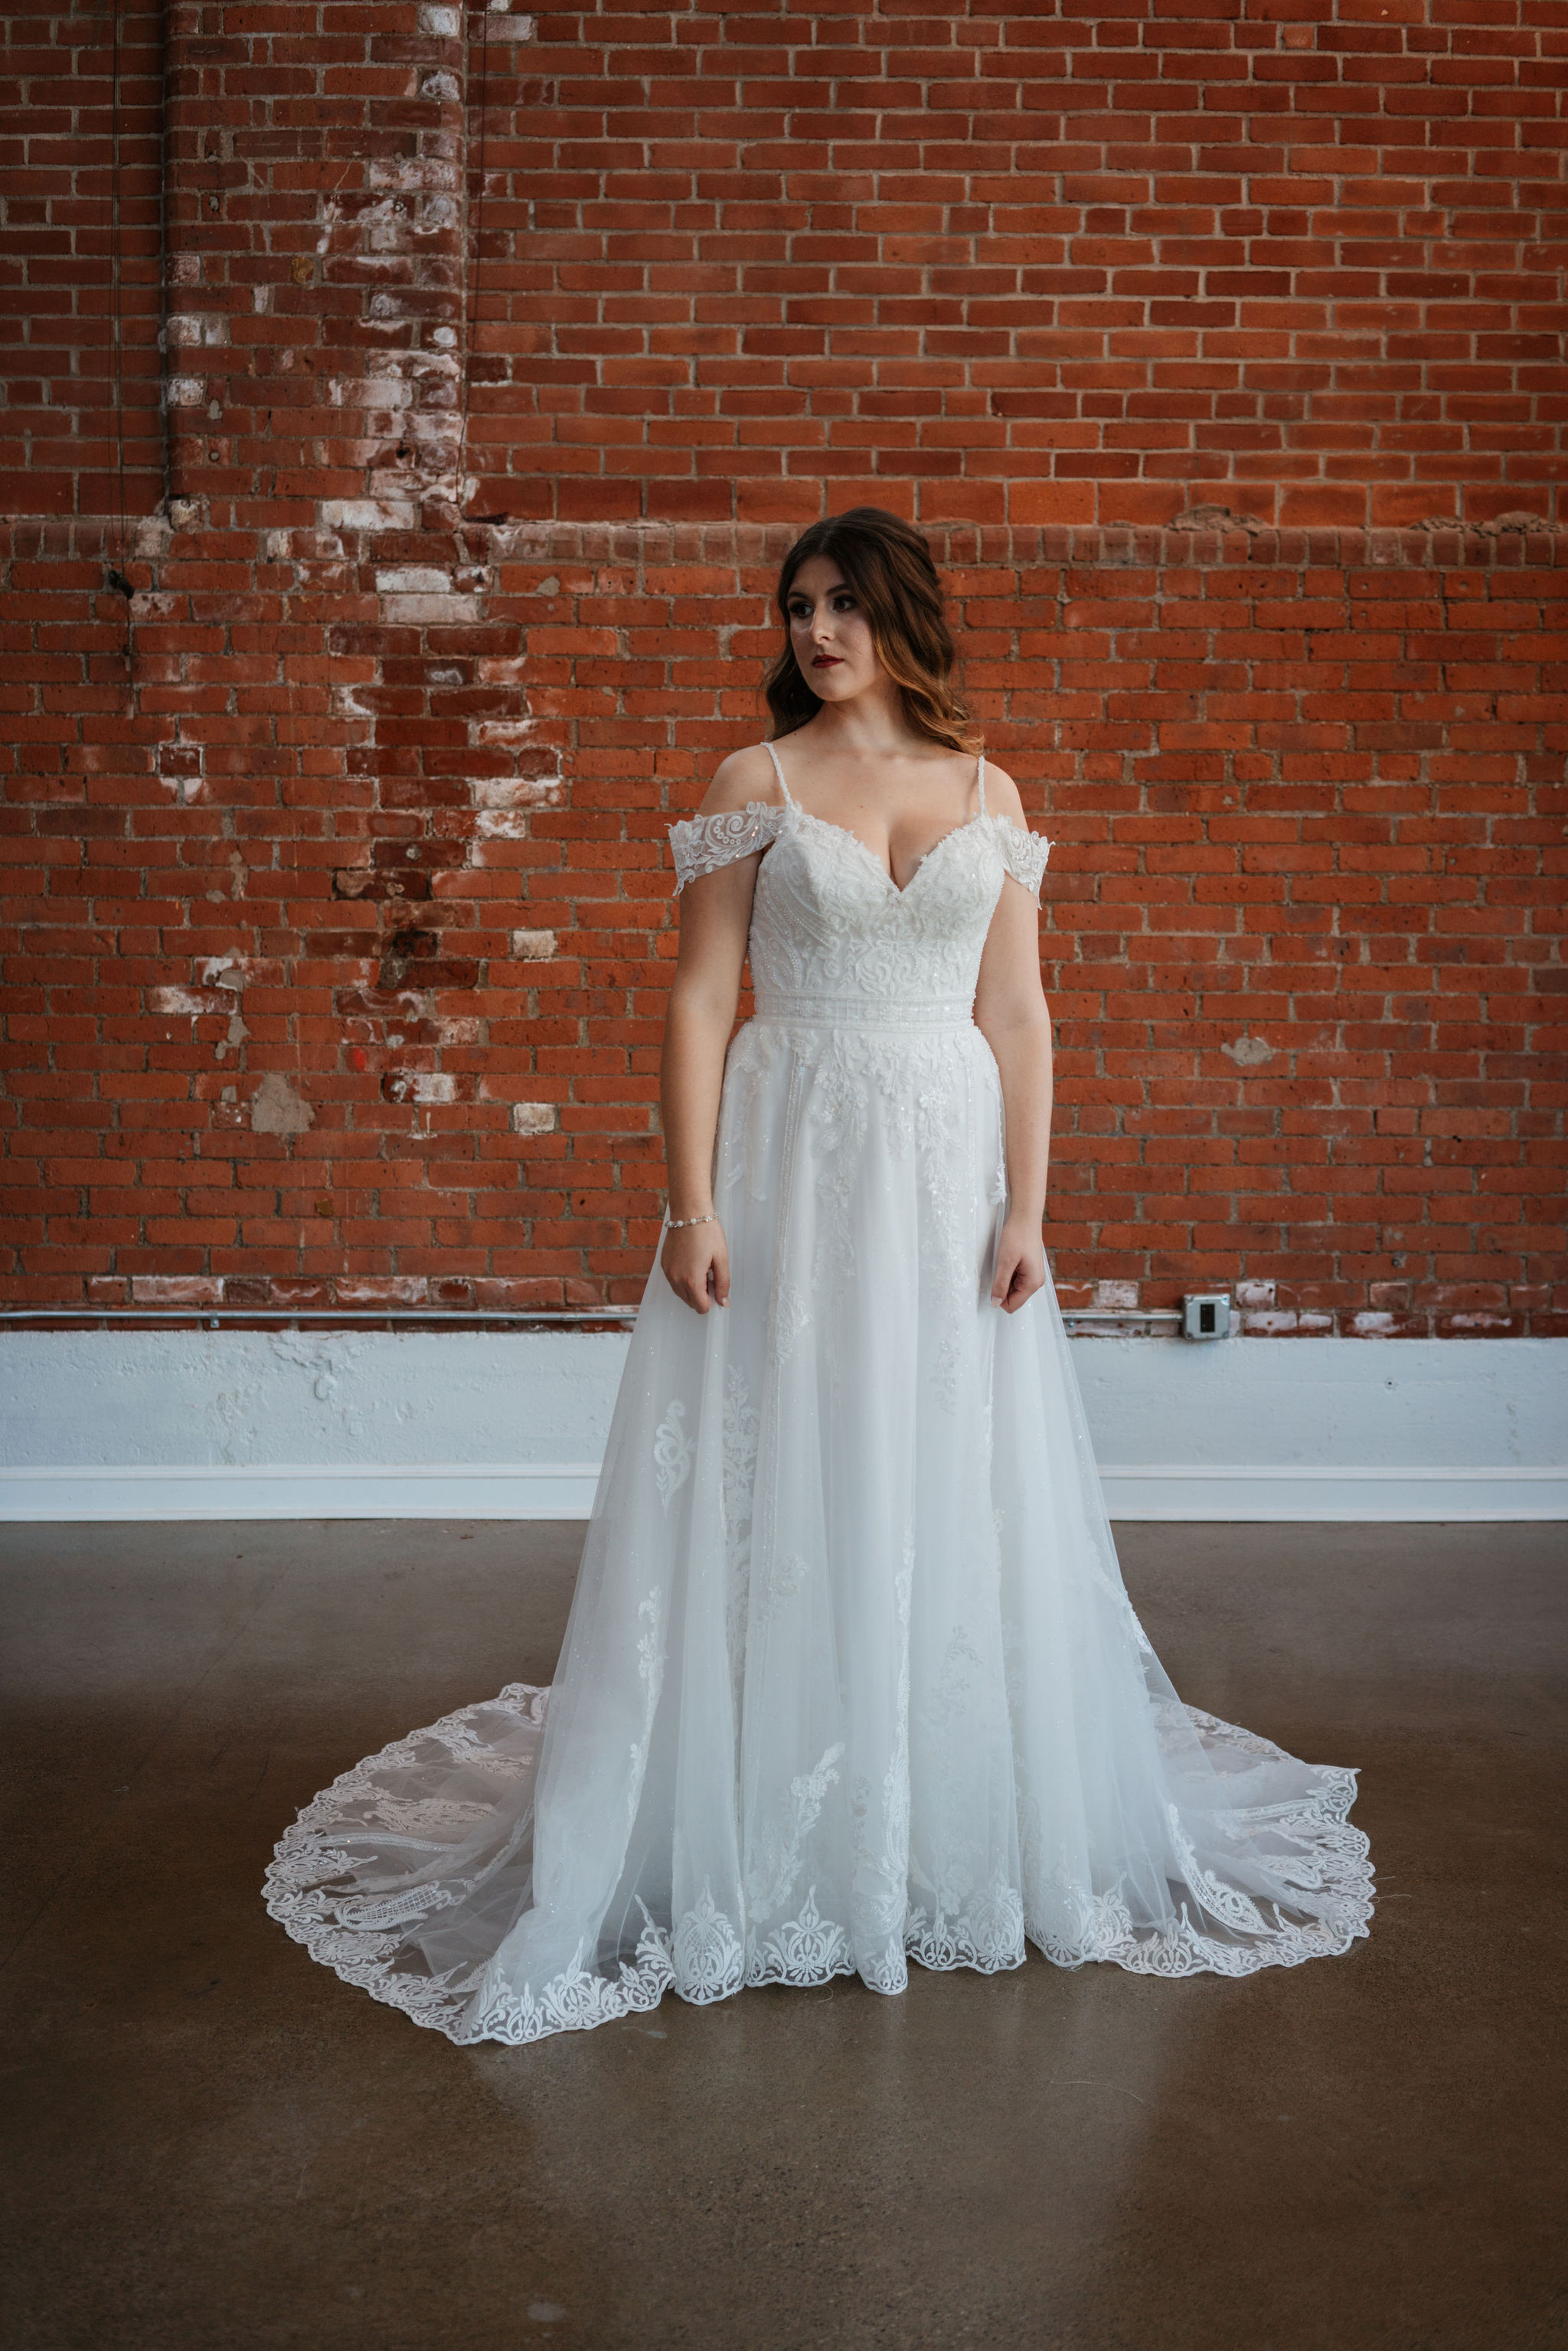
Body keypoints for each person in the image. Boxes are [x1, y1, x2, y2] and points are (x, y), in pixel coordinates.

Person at [266, 509, 1373, 2043]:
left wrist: (1029, 1212)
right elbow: (701, 993)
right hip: (792, 1170)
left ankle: (933, 1821)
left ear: (902, 615)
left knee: (936, 1471)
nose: (815, 630)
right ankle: (760, 1811)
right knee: (781, 1468)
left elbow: (1023, 1017)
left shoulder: (989, 790)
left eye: (844, 603)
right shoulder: (755, 783)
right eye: (797, 606)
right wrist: (688, 1204)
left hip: (943, 1170)